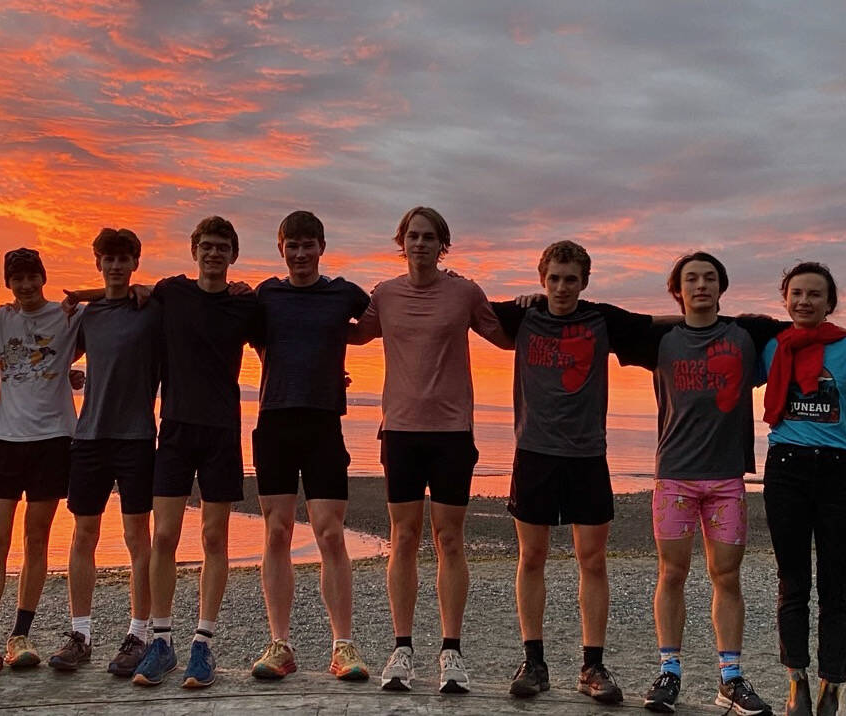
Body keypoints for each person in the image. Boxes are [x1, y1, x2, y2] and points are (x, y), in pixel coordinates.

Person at [350, 206, 513, 694]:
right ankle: (401, 649)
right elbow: (351, 333)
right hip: (399, 431)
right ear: (401, 242)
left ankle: (451, 652)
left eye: (429, 237)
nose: (419, 244)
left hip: (451, 433)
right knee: (402, 537)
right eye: (412, 236)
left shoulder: (464, 292)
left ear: (442, 245)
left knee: (449, 540)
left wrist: (531, 306)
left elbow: (504, 338)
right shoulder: (384, 295)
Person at [627, 252, 796, 715]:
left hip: (726, 479)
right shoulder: (658, 339)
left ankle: (731, 678)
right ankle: (669, 671)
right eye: (690, 279)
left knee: (726, 577)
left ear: (721, 286)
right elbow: (601, 321)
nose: (700, 285)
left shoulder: (747, 333)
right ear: (677, 289)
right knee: (672, 574)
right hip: (674, 476)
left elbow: (811, 328)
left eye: (708, 278)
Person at [491, 240, 653, 705]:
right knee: (532, 557)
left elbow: (659, 326)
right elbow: (464, 308)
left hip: (586, 455)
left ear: (585, 282)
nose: (562, 287)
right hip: (534, 453)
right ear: (542, 279)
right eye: (554, 278)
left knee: (593, 560)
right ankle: (534, 661)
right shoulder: (521, 315)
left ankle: (591, 665)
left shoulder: (602, 319)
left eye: (571, 279)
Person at [123, 216, 262, 689]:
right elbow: (123, 296)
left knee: (214, 538)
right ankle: (160, 642)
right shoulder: (171, 292)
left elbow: (278, 347)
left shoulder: (245, 305)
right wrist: (77, 300)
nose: (213, 253)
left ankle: (203, 643)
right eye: (206, 245)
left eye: (222, 246)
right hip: (176, 429)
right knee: (163, 536)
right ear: (194, 250)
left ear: (233, 254)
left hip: (222, 430)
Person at [248, 211, 371, 682]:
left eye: (308, 245)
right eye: (291, 246)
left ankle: (344, 646)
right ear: (281, 249)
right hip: (275, 421)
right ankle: (280, 644)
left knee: (330, 533)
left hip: (323, 425)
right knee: (277, 530)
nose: (300, 254)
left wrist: (337, 351)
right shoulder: (267, 295)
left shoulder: (343, 293)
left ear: (322, 246)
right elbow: (254, 340)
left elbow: (382, 319)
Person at [0, 248, 81, 694]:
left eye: (32, 277)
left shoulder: (69, 316)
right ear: (8, 283)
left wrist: (83, 293)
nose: (25, 286)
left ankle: (20, 635)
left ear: (43, 277)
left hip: (53, 441)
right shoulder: (0, 318)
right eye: (17, 279)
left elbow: (117, 302)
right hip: (5, 440)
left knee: (37, 538)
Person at [761, 262, 846, 716]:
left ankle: (832, 683)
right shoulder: (771, 346)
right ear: (784, 298)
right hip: (786, 468)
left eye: (815, 294)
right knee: (792, 583)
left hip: (838, 473)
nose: (805, 301)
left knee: (837, 585)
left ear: (830, 303)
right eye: (797, 293)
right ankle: (797, 681)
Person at [47, 228, 161, 679]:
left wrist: (143, 289)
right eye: (108, 258)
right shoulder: (87, 316)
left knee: (138, 539)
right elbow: (57, 359)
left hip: (136, 437)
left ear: (135, 261)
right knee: (84, 535)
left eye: (123, 258)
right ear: (98, 262)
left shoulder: (151, 309)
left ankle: (139, 634)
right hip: (88, 436)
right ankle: (81, 634)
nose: (115, 266)